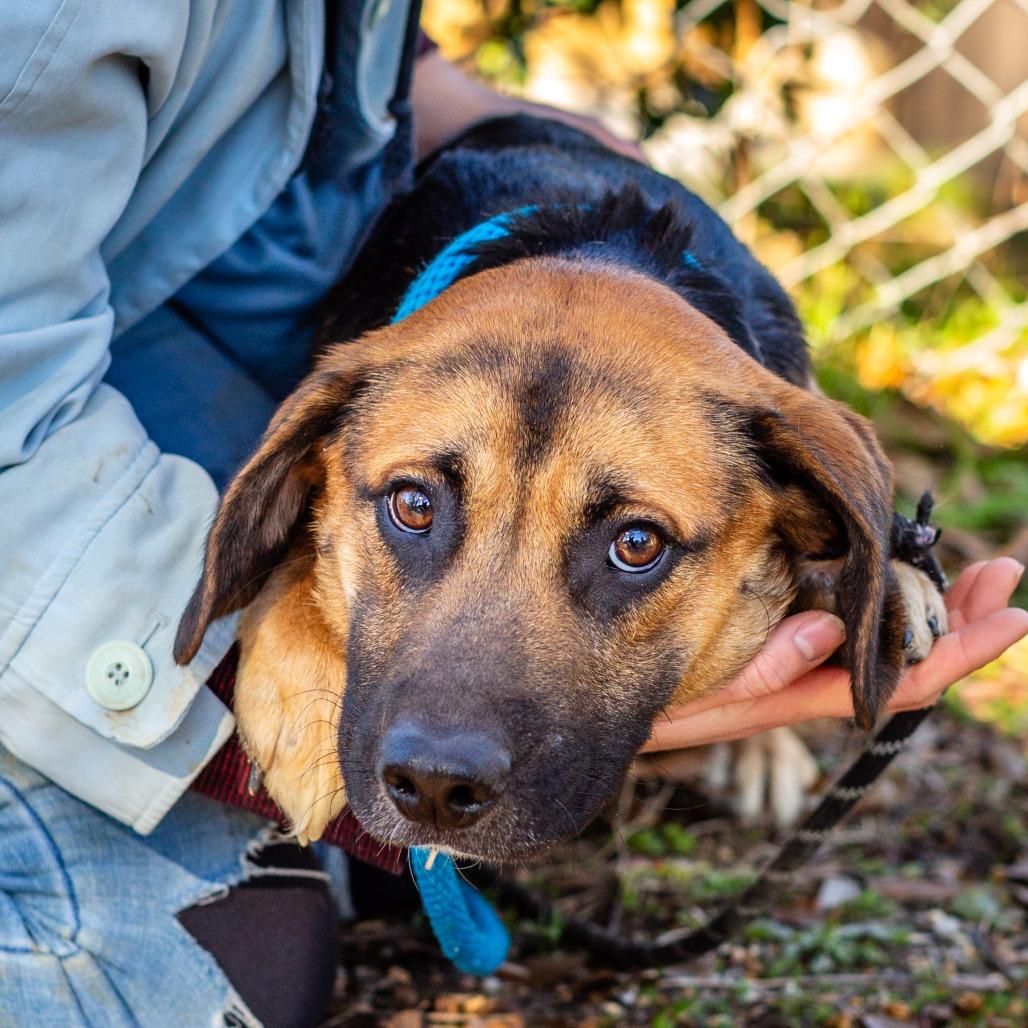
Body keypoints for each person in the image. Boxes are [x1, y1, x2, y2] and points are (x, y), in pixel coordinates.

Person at [1, 3, 1025, 1025]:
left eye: (630, 541)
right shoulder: (374, 384)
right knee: (233, 965)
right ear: (295, 476)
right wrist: (243, 685)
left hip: (189, 268)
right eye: (414, 505)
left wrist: (447, 92)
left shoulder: (758, 438)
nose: (444, 751)